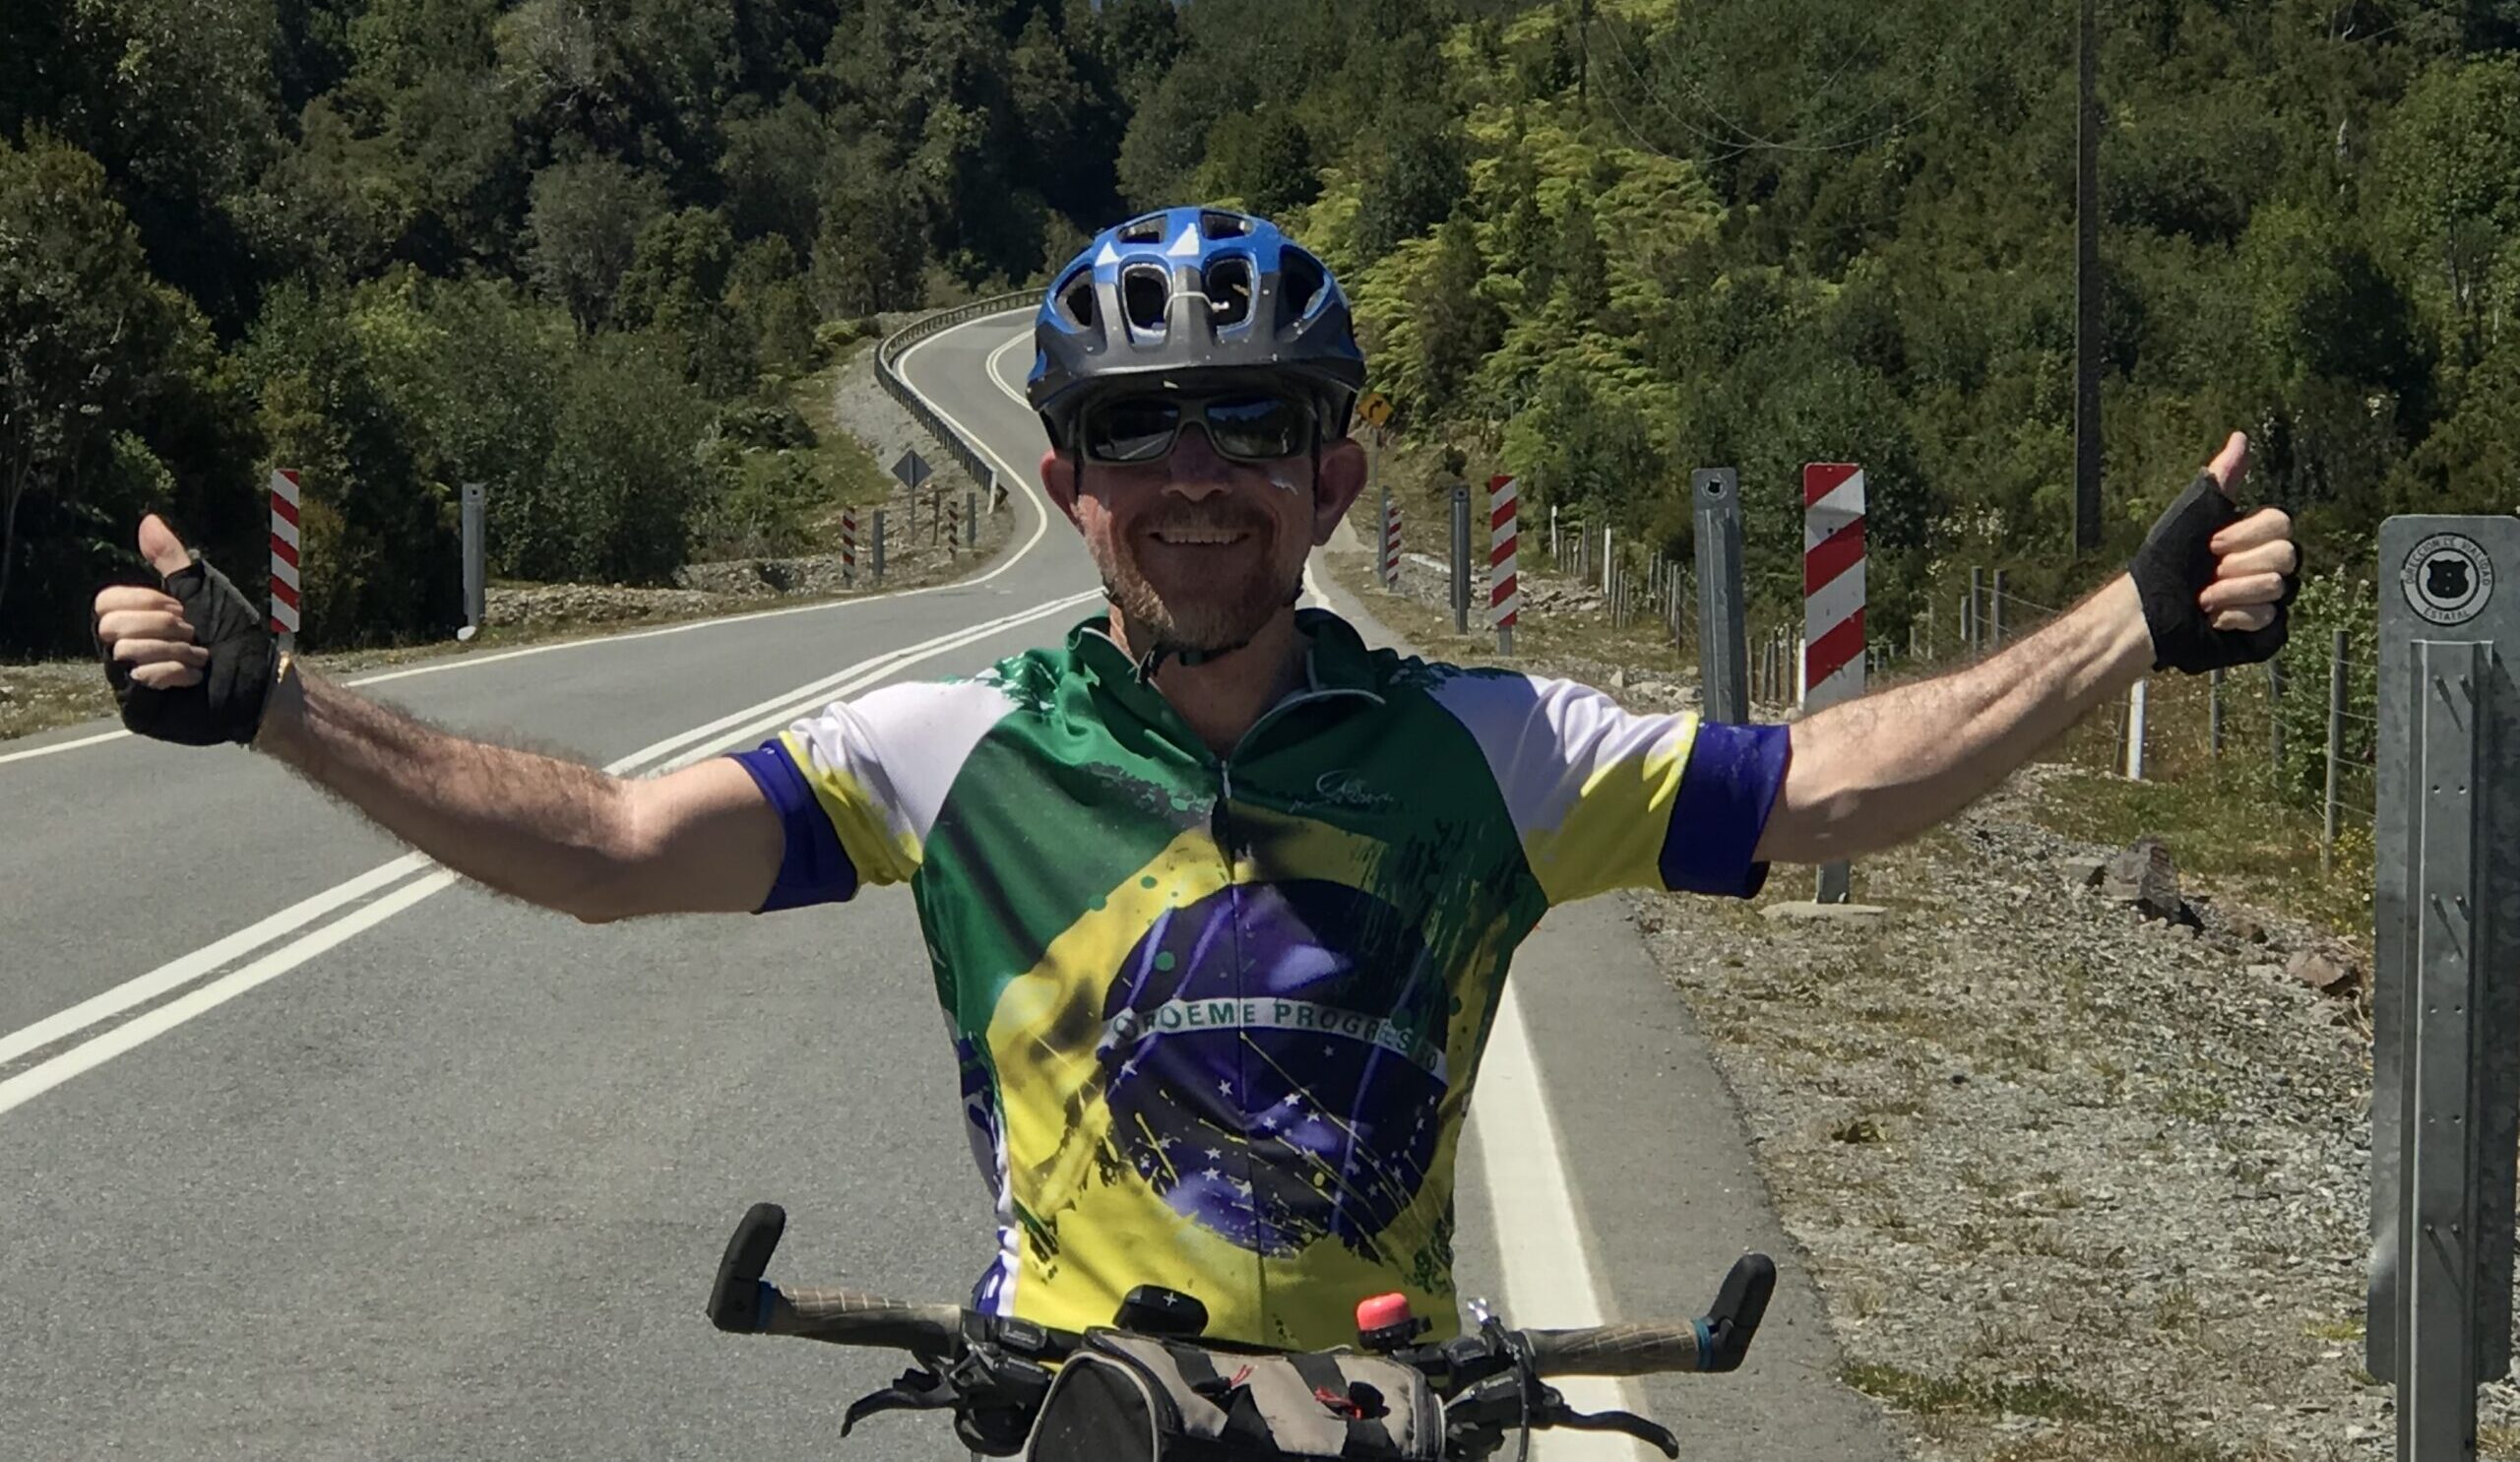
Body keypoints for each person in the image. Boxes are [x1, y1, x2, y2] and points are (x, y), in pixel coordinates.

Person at [90, 206, 2298, 1352]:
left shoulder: (1485, 751)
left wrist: (2129, 620)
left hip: (1395, 1400)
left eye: (1247, 427)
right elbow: (595, 854)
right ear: (1066, 484)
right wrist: (290, 705)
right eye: (1140, 439)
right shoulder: (947, 748)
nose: (1196, 483)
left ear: (1331, 473)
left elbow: (1817, 785)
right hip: (1068, 1404)